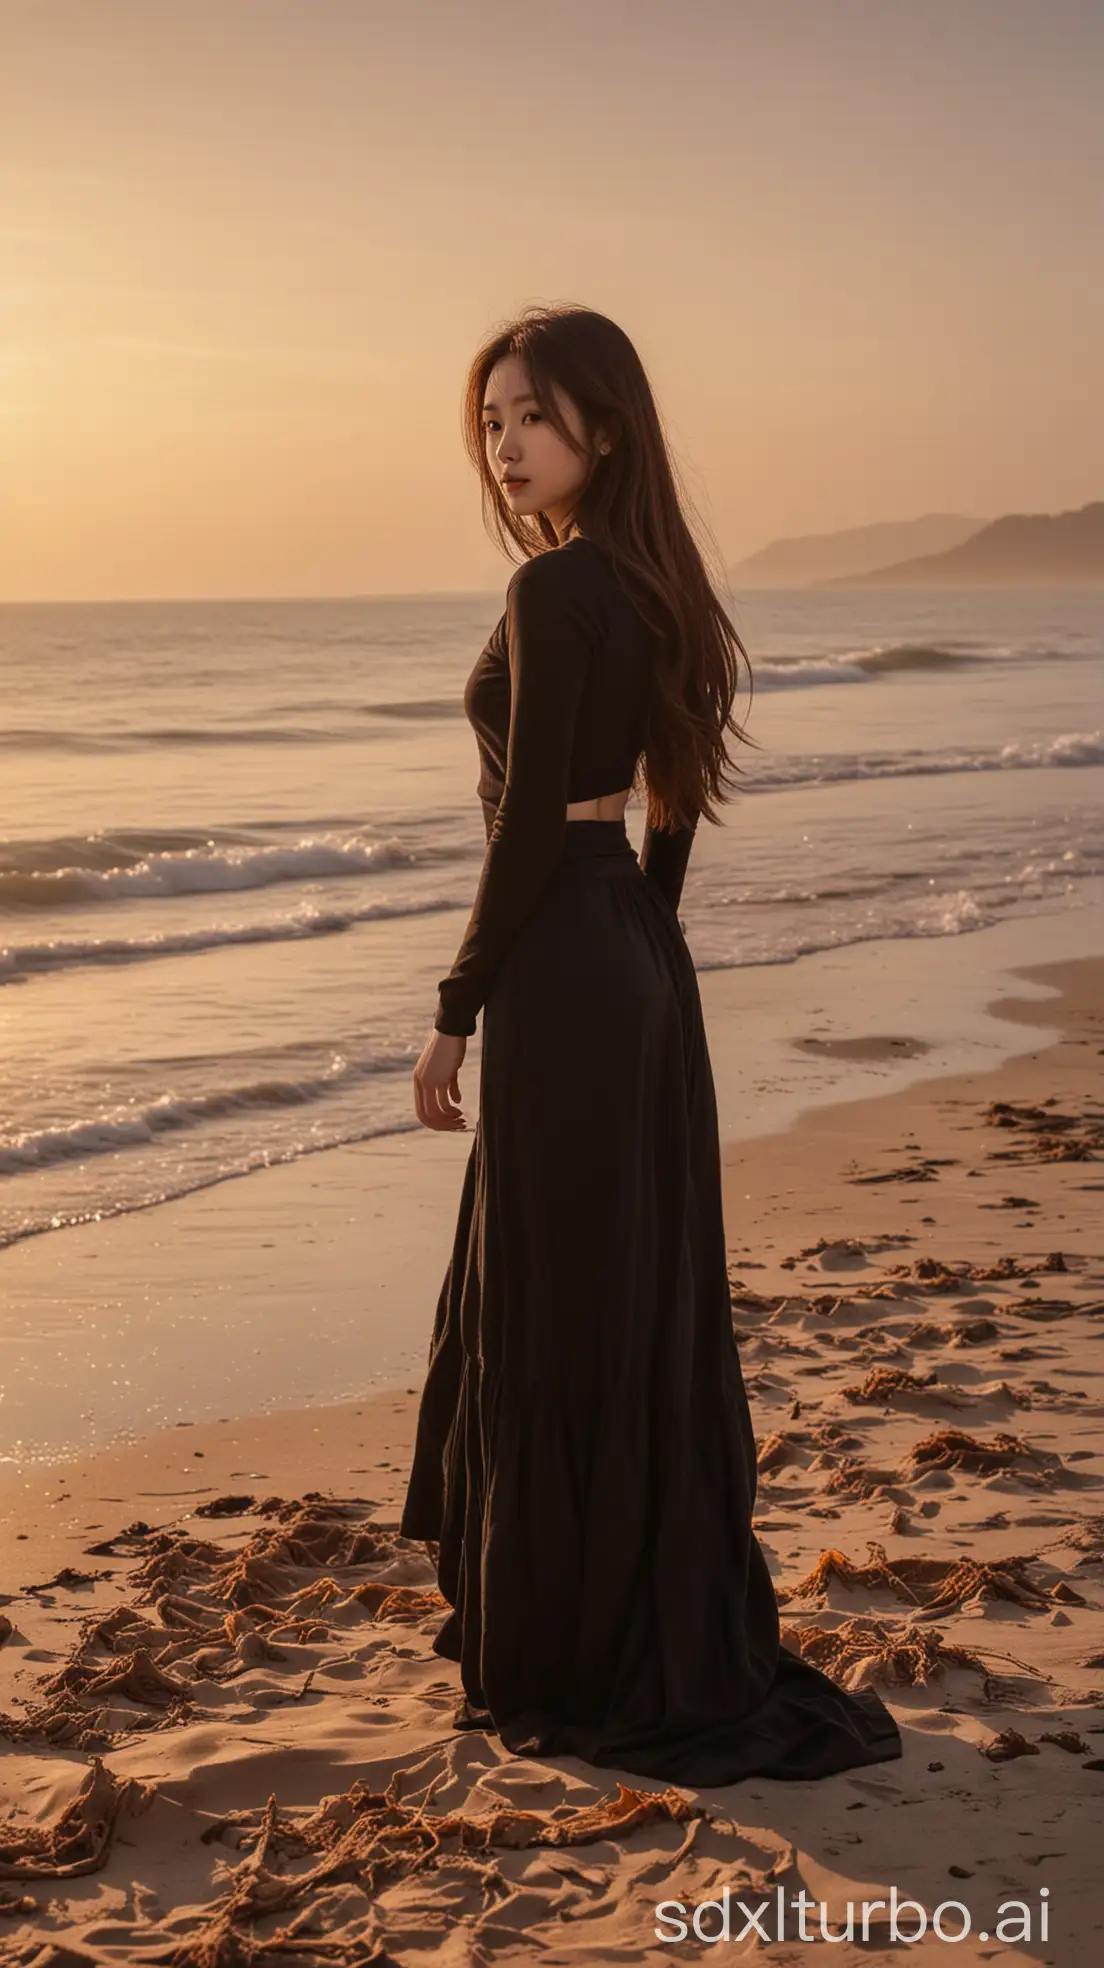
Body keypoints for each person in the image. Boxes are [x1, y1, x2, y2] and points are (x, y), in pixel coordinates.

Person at [400, 304, 902, 1785]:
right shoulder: (657, 588)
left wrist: (456, 1008)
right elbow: (660, 806)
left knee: (559, 1298)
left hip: (567, 965)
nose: (505, 450)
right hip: (631, 959)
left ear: (602, 431)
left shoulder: (558, 597)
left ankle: (563, 1640)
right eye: (490, 421)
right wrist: (645, 944)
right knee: (620, 1296)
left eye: (533, 420)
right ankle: (603, 1608)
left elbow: (518, 830)